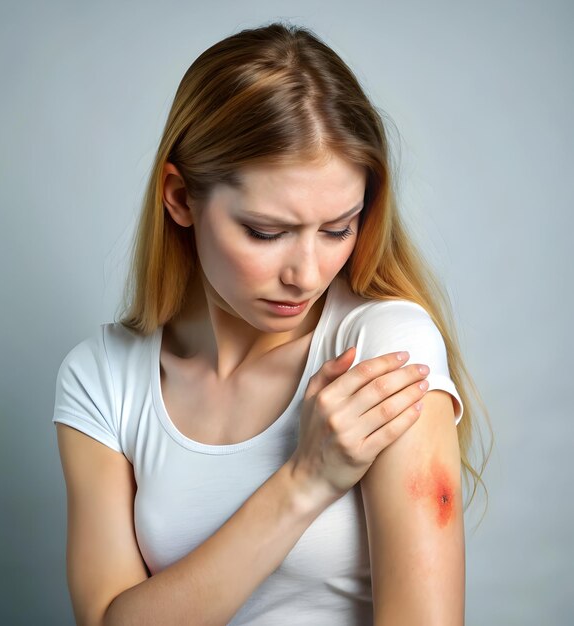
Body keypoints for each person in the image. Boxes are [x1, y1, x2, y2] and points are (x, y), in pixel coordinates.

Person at [53, 22, 490, 626]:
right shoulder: (103, 378)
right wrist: (303, 483)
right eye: (266, 232)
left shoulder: (383, 348)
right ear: (180, 198)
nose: (306, 274)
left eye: (338, 229)